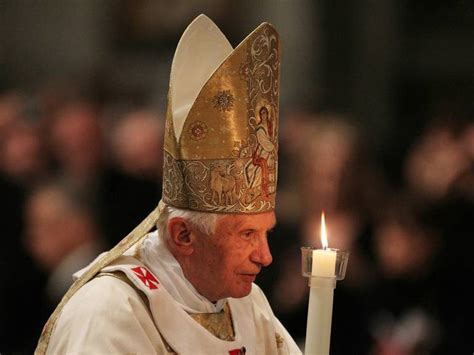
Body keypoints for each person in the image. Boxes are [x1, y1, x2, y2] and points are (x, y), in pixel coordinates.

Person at [35, 15, 301, 354]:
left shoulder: (247, 305)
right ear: (183, 236)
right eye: (246, 235)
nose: (265, 256)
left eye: (266, 233)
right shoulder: (110, 310)